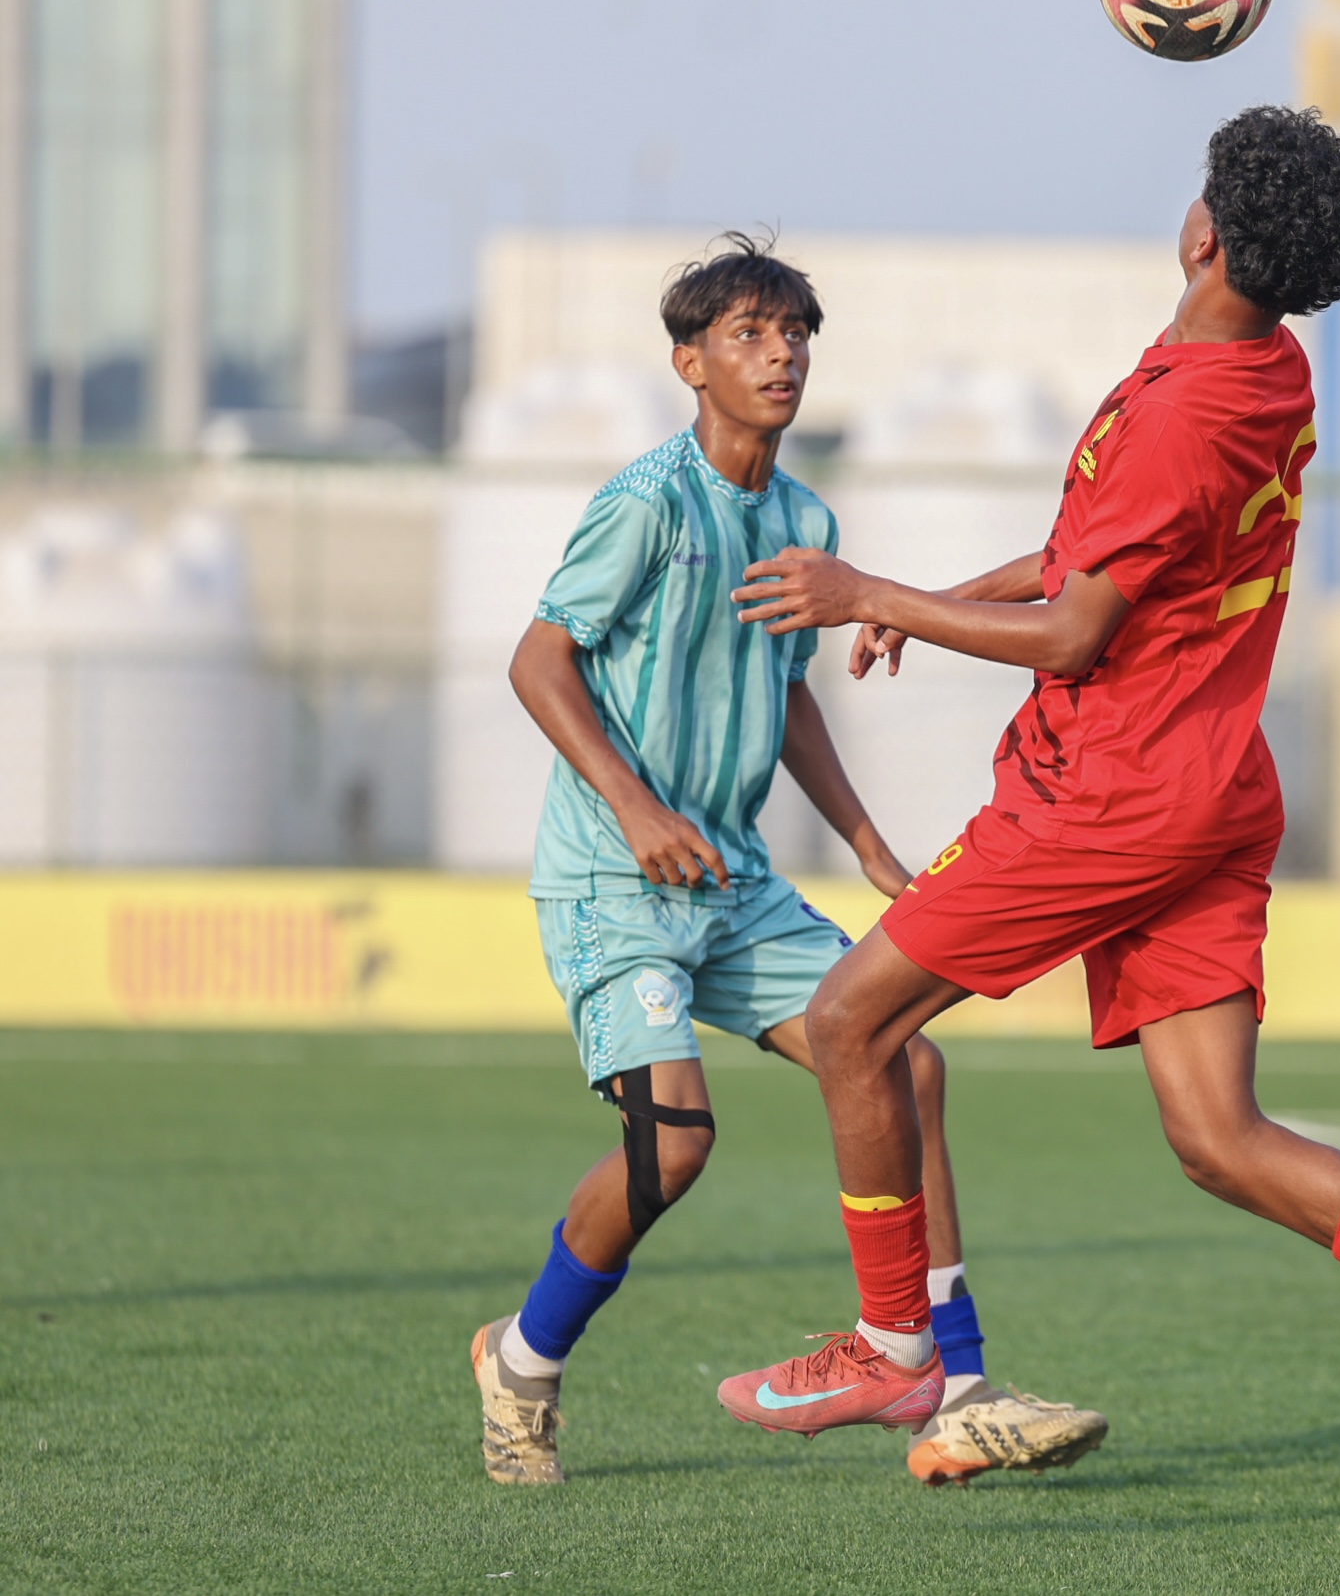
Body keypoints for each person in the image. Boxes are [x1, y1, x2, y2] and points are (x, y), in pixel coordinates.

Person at [717, 111, 1340, 1497]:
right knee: (1217, 1137)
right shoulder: (1264, 363)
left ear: (1205, 234)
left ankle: (896, 1351)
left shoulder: (1185, 407)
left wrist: (869, 594)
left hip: (1111, 793)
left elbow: (1079, 630)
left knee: (850, 1023)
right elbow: (1105, 557)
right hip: (1213, 784)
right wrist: (933, 599)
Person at [470, 234, 1107, 1489]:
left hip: (738, 884)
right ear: (689, 363)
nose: (781, 355)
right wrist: (636, 811)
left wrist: (864, 839)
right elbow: (538, 662)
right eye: (750, 335)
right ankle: (522, 1361)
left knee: (906, 1063)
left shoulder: (807, 520)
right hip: (615, 879)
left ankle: (960, 1391)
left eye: (796, 334)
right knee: (675, 1146)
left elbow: (790, 692)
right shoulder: (647, 504)